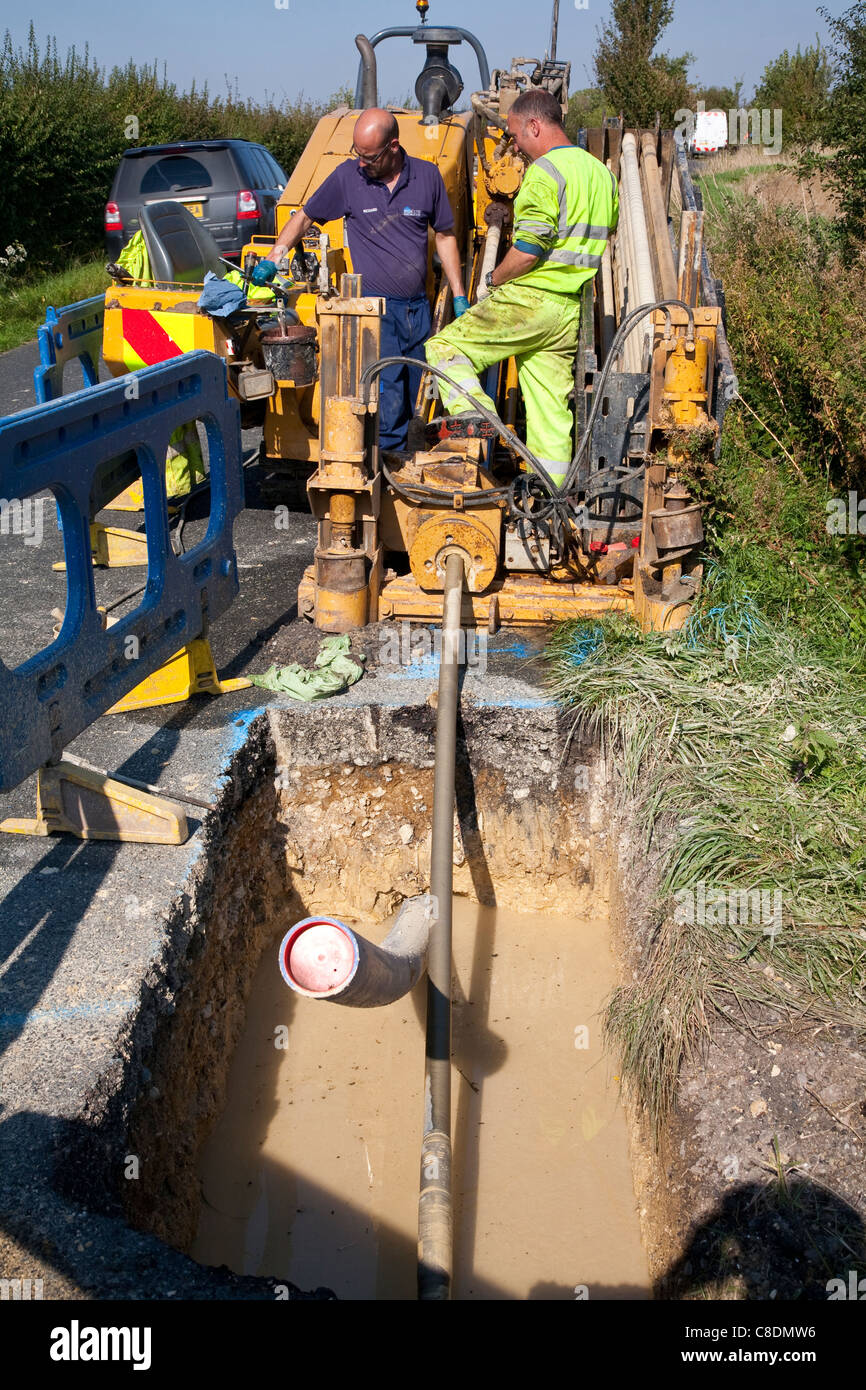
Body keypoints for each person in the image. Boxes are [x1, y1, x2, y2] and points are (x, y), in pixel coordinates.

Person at [425, 88, 619, 489]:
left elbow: (529, 250)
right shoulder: (601, 174)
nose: (514, 144)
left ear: (535, 124)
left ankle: (474, 418)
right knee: (549, 411)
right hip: (568, 309)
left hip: (531, 299)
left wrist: (493, 279)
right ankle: (549, 500)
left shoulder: (545, 173)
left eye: (515, 135)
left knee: (445, 348)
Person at [252, 108, 469, 452]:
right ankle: (389, 473)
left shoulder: (427, 177)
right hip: (375, 311)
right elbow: (304, 217)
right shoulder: (347, 178)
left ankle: (412, 462)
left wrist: (458, 294)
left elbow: (444, 235)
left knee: (421, 393)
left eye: (369, 157)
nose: (361, 163)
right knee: (389, 397)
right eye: (358, 154)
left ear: (393, 147)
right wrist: (274, 257)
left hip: (418, 310)